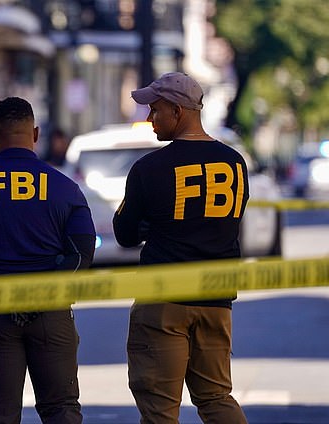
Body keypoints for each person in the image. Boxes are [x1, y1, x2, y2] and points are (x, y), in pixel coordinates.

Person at [0, 97, 96, 424]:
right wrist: (43, 295)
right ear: (35, 133)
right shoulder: (64, 188)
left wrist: (1, 293)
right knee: (61, 410)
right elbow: (82, 253)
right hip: (50, 314)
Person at [113, 72, 249, 424]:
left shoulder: (150, 168)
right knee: (217, 398)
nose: (149, 119)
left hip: (164, 303)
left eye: (155, 110)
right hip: (216, 301)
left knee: (159, 409)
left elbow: (125, 232)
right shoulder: (235, 163)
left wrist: (149, 225)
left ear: (177, 110)